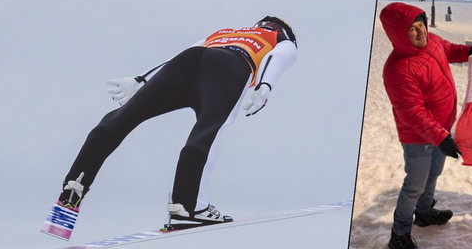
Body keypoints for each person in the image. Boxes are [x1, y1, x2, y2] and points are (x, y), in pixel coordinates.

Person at [44, 17, 298, 237]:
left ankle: (76, 184)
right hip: (229, 69)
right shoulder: (279, 39)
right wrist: (264, 87)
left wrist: (141, 79)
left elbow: (184, 54)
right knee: (207, 131)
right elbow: (278, 58)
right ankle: (187, 206)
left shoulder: (225, 32)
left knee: (123, 117)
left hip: (187, 64)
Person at [380, 2, 472, 249]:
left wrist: (469, 51)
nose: (420, 32)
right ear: (397, 34)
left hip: (441, 129)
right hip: (419, 137)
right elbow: (412, 112)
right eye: (412, 29)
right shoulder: (398, 69)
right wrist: (439, 137)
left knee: (434, 172)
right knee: (414, 185)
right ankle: (399, 234)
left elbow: (449, 49)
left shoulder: (433, 42)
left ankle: (424, 212)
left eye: (421, 24)